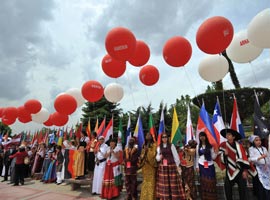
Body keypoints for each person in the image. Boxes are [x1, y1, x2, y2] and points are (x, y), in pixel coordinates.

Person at [219, 128, 250, 200]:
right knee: (227, 189)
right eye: (227, 134)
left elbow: (245, 158)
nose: (227, 136)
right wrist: (224, 154)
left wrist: (245, 171)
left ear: (233, 137)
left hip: (240, 170)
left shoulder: (239, 146)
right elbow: (219, 156)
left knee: (242, 190)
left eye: (229, 134)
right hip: (229, 170)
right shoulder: (223, 145)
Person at [156, 133, 186, 200]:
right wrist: (159, 157)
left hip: (171, 167)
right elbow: (157, 158)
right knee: (164, 183)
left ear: (167, 138)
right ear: (161, 138)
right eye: (163, 137)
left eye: (166, 137)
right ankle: (165, 197)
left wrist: (177, 165)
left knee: (172, 183)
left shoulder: (171, 146)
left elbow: (176, 156)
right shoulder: (159, 147)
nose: (164, 138)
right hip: (163, 167)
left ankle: (173, 197)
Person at [195, 132, 218, 200]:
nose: (202, 138)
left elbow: (213, 157)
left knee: (211, 182)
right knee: (203, 182)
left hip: (210, 165)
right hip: (201, 165)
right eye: (200, 136)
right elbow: (197, 157)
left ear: (205, 137)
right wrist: (197, 166)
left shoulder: (210, 146)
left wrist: (216, 153)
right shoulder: (198, 146)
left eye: (203, 136)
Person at [248, 135, 270, 200]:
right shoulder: (251, 149)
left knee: (267, 185)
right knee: (260, 186)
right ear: (253, 142)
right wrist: (260, 157)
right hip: (257, 169)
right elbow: (250, 159)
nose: (259, 141)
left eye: (259, 140)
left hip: (266, 169)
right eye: (256, 140)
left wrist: (267, 164)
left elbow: (268, 158)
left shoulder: (264, 148)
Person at [138, 132, 157, 200]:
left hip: (151, 166)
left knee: (151, 182)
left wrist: (147, 151)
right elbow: (142, 154)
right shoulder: (144, 145)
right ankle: (144, 197)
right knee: (145, 182)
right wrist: (141, 157)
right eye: (146, 135)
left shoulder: (154, 145)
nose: (148, 136)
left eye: (149, 135)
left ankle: (151, 197)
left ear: (152, 137)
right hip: (145, 167)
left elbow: (153, 155)